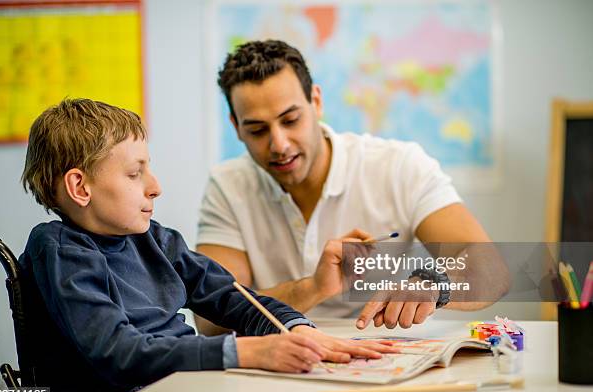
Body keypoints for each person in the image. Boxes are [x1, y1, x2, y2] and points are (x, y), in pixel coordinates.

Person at [18, 98, 392, 392]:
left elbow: (232, 296)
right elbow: (119, 355)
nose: (155, 187)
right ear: (79, 187)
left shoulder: (155, 239)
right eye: (135, 174)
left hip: (178, 390)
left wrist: (297, 330)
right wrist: (248, 352)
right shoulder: (59, 250)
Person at [196, 40, 508, 334]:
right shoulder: (228, 186)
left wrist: (434, 283)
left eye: (290, 120)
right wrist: (313, 288)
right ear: (236, 127)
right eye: (257, 130)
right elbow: (210, 319)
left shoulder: (400, 166)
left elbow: (492, 270)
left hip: (385, 360)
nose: (279, 144)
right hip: (275, 362)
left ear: (316, 102)